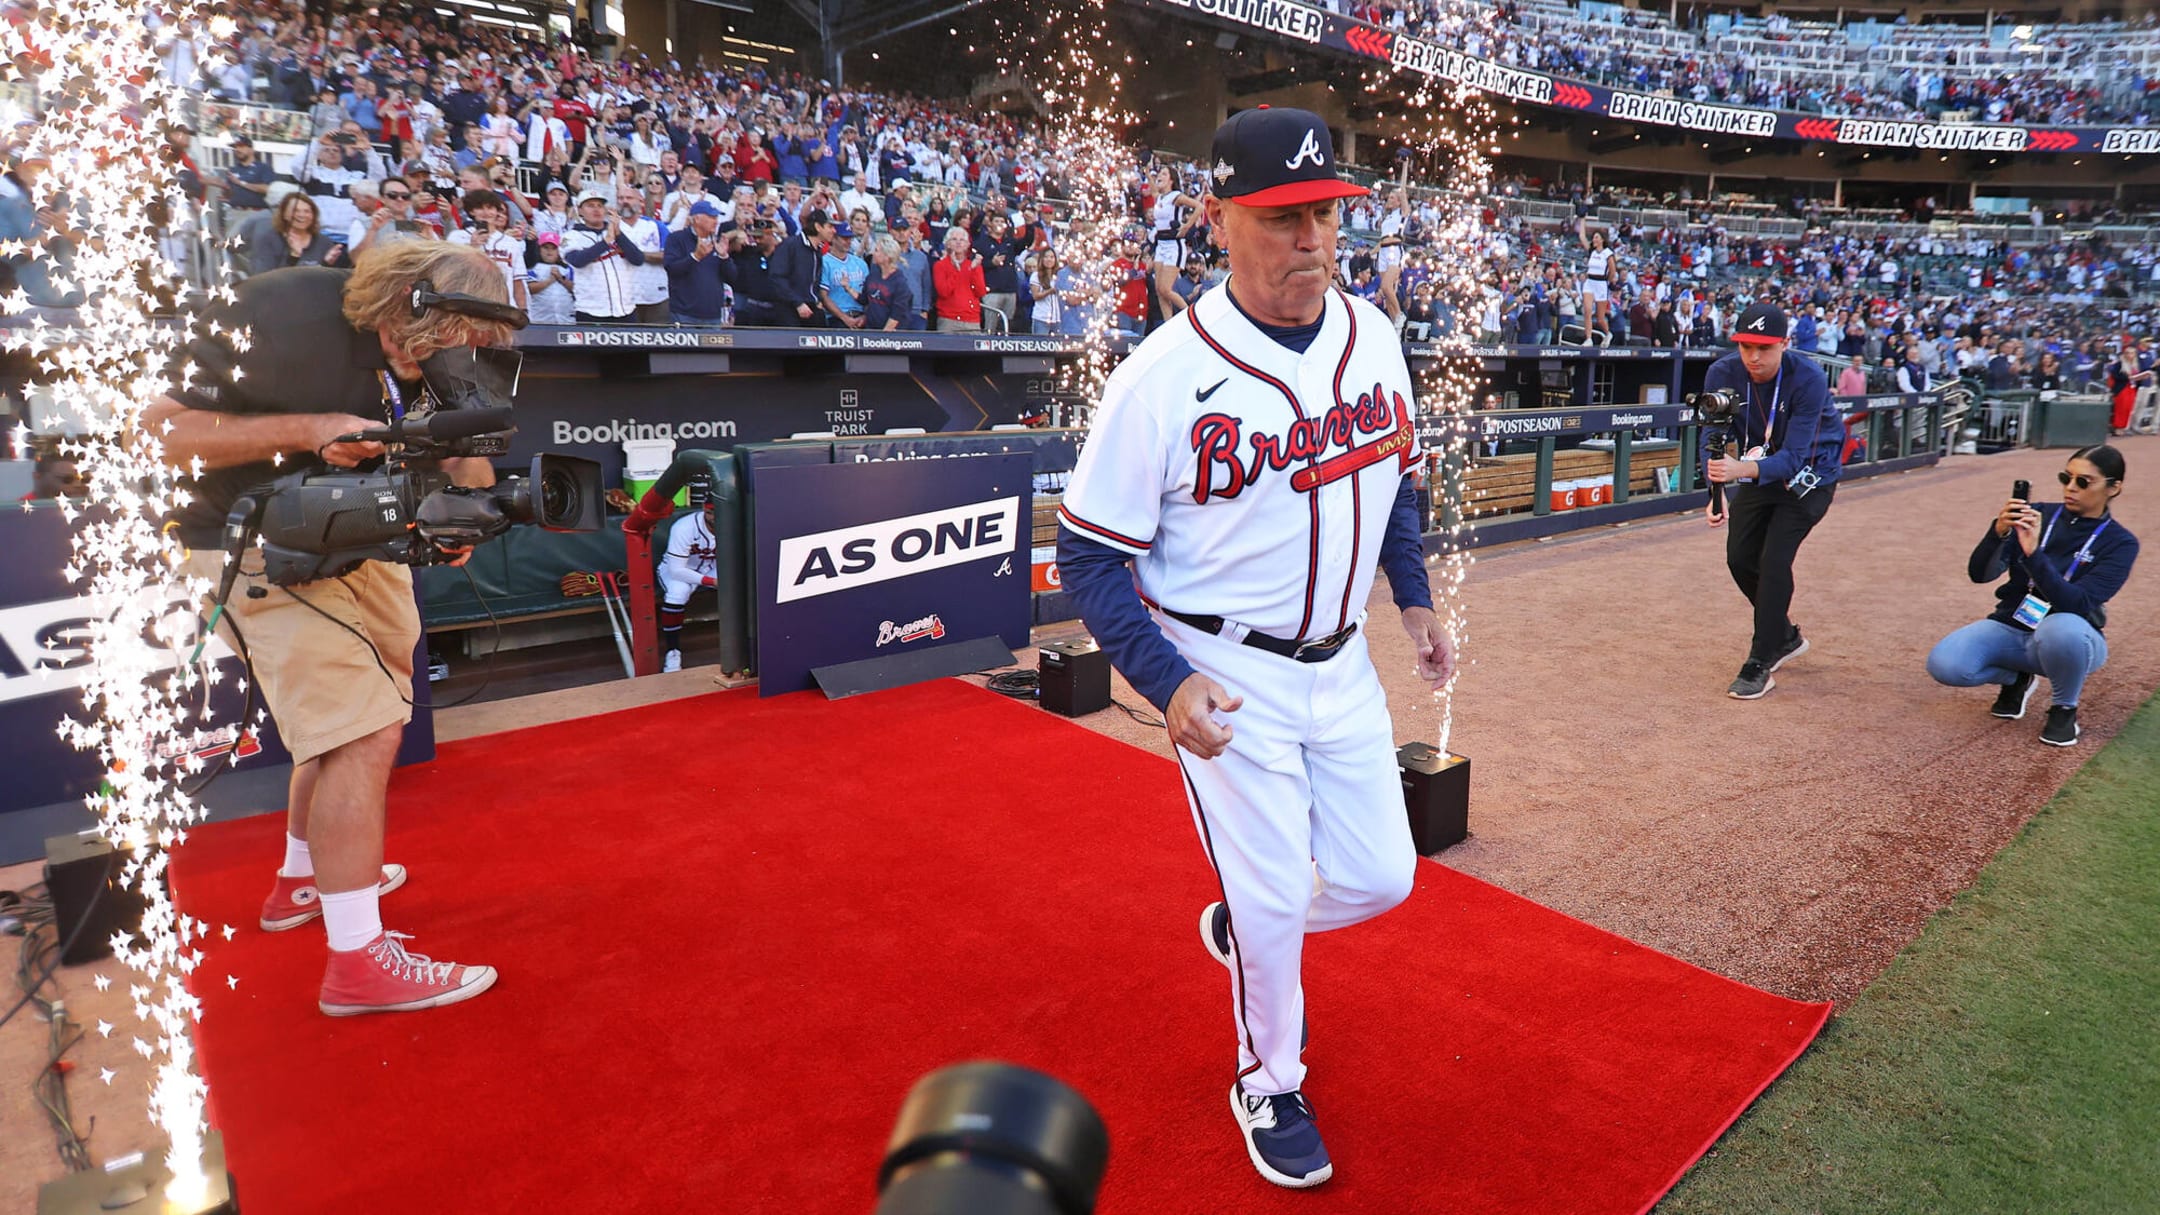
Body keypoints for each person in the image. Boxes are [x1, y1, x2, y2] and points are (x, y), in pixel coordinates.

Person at [1055, 107, 1450, 1191]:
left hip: (1346, 662)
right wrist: (1167, 681)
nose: (1311, 237)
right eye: (1281, 217)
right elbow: (1084, 557)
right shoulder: (1160, 377)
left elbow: (1394, 483)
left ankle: (1248, 918)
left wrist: (1411, 601)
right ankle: (1268, 1078)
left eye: (1324, 212)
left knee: (1383, 879)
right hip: (1228, 674)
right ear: (1217, 221)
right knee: (1281, 900)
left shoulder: (1375, 337)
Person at [146, 244, 515, 1015]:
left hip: (359, 535)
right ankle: (356, 962)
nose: (429, 362)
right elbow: (156, 434)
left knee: (370, 711)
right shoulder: (275, 308)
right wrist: (309, 427)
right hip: (247, 541)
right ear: (402, 305)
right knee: (362, 733)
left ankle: (300, 879)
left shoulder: (453, 356)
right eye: (427, 343)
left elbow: (468, 476)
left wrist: (465, 492)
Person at [1927, 447, 2137, 747]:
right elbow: (1980, 574)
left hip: (2072, 638)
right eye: (2066, 478)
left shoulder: (2120, 543)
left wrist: (2033, 554)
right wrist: (1997, 533)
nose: (2070, 488)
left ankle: (2063, 709)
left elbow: (2076, 604)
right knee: (1946, 665)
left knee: (2060, 627)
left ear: (2113, 487)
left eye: (2083, 482)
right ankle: (2017, 680)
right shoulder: (2037, 514)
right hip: (2014, 626)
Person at [1701, 301, 1847, 699]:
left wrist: (1738, 472)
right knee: (1739, 557)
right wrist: (1715, 491)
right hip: (1759, 471)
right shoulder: (1722, 372)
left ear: (1784, 344)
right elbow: (1711, 437)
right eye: (1746, 346)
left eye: (1764, 347)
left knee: (1774, 559)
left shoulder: (1809, 377)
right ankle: (1782, 634)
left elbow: (1795, 456)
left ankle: (1760, 660)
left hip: (1811, 476)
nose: (1753, 356)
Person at [559, 187, 642, 323]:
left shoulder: (623, 230)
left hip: (625, 309)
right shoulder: (571, 236)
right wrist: (606, 241)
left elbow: (638, 259)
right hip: (591, 311)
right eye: (590, 206)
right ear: (580, 210)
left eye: (600, 205)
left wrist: (618, 234)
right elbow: (577, 260)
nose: (596, 209)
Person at [657, 500, 719, 673]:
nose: (714, 517)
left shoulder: (734, 522)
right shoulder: (684, 527)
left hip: (713, 567)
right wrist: (712, 582)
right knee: (678, 592)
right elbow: (676, 571)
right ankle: (673, 652)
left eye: (717, 511)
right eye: (710, 512)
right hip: (680, 569)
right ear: (703, 509)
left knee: (744, 583)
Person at [662, 199, 739, 326]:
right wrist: (695, 257)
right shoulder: (676, 238)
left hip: (713, 315)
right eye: (711, 217)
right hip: (684, 314)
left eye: (716, 217)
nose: (716, 221)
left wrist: (724, 256)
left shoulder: (718, 242)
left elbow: (732, 277)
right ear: (697, 219)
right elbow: (671, 268)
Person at [253, 192, 349, 275]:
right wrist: (294, 257)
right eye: (295, 211)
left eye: (307, 211)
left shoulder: (324, 242)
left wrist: (327, 264)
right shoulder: (269, 239)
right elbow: (263, 277)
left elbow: (327, 280)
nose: (302, 215)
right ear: (284, 214)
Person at [932, 226, 986, 332]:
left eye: (962, 240)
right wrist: (955, 271)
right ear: (947, 243)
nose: (958, 243)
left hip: (972, 320)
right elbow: (943, 292)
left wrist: (973, 270)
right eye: (954, 239)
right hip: (948, 320)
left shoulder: (974, 265)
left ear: (967, 245)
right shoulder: (940, 265)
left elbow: (980, 292)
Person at [861, 234, 918, 331]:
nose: (873, 253)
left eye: (876, 251)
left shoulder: (900, 282)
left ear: (886, 257)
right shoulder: (873, 275)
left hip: (892, 334)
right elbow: (864, 299)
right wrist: (848, 288)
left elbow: (897, 313)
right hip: (871, 331)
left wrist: (884, 336)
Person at [819, 222, 869, 328]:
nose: (848, 242)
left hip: (861, 317)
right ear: (833, 238)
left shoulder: (860, 263)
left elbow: (870, 294)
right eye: (844, 238)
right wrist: (844, 318)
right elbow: (823, 296)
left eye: (850, 238)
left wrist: (865, 316)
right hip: (836, 318)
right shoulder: (824, 262)